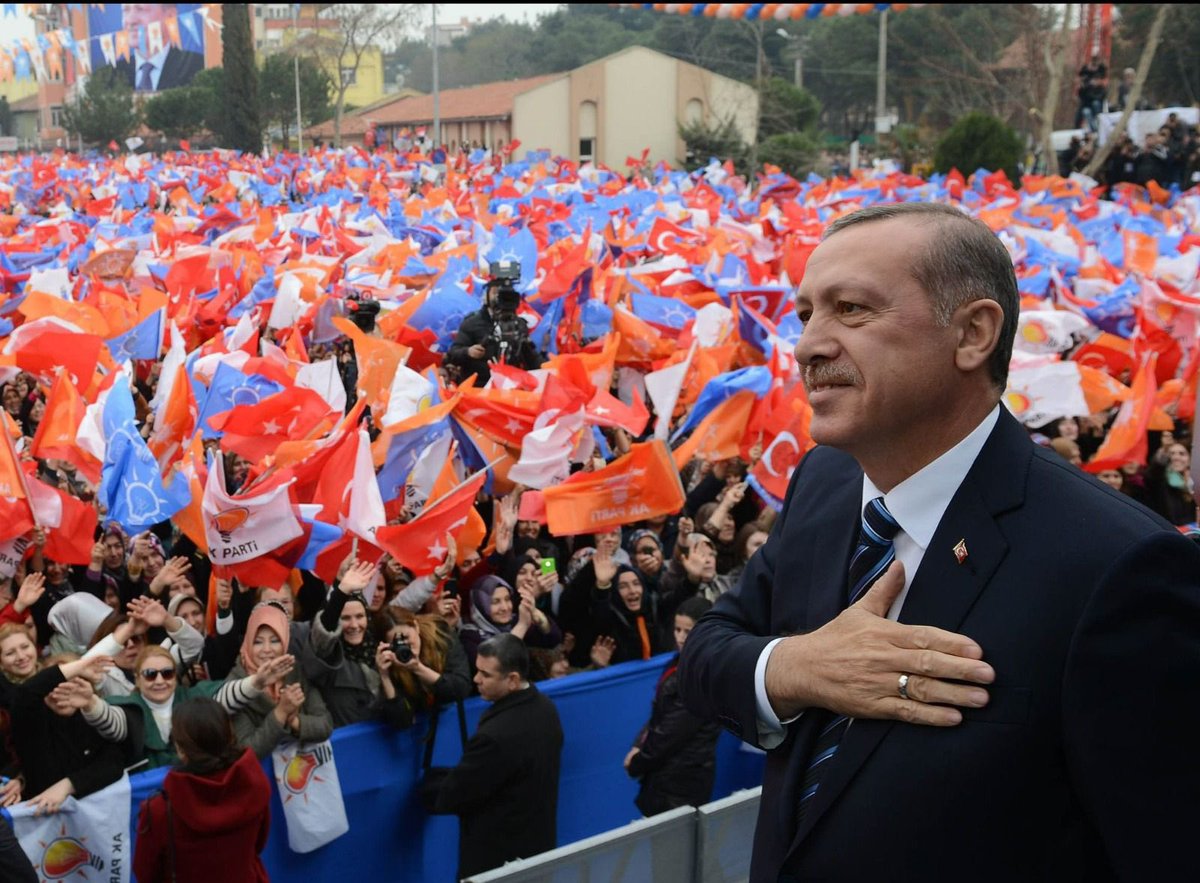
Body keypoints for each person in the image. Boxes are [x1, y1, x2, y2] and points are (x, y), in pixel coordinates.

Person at [677, 201, 1200, 882]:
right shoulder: (825, 483)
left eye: (852, 309)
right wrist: (796, 667)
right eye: (807, 312)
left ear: (973, 333)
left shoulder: (1122, 568)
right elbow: (708, 656)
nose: (808, 344)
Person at [422, 633, 563, 880]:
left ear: (512, 680)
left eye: (486, 675)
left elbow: (453, 796)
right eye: (477, 671)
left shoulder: (495, 736)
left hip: (496, 862)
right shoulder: (546, 708)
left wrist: (431, 785)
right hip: (538, 853)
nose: (476, 679)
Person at [133, 697, 272, 883]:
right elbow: (259, 844)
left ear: (181, 749)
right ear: (230, 736)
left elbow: (146, 873)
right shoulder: (254, 784)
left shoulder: (158, 811)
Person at [625, 596, 720, 816]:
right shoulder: (678, 662)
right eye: (677, 630)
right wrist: (639, 744)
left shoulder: (701, 675)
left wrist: (638, 762)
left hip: (682, 785)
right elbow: (659, 714)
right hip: (665, 781)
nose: (680, 637)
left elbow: (670, 734)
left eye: (688, 632)